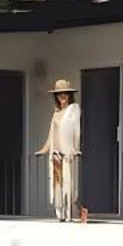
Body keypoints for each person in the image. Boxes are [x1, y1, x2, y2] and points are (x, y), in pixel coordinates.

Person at [35, 78, 82, 221]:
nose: (62, 96)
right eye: (59, 94)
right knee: (57, 183)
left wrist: (75, 148)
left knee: (69, 183)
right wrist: (45, 148)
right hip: (56, 154)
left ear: (69, 95)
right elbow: (52, 134)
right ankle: (59, 213)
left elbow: (76, 131)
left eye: (65, 93)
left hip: (68, 154)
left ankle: (69, 214)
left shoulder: (73, 110)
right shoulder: (56, 113)